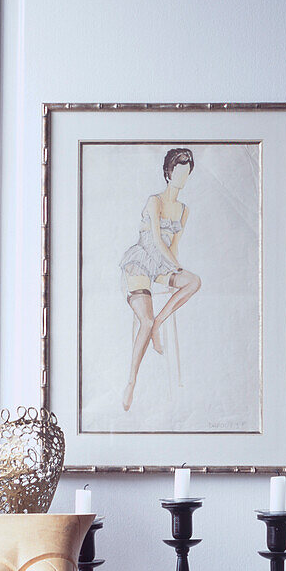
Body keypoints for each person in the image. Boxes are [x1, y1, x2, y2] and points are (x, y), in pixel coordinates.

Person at [118, 147, 202, 411]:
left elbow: (174, 246)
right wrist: (175, 266)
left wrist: (175, 271)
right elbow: (155, 240)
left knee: (194, 281)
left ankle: (158, 325)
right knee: (145, 319)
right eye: (178, 173)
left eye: (186, 174)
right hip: (141, 262)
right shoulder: (154, 201)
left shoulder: (183, 210)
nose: (182, 179)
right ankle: (131, 381)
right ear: (168, 173)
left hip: (162, 266)